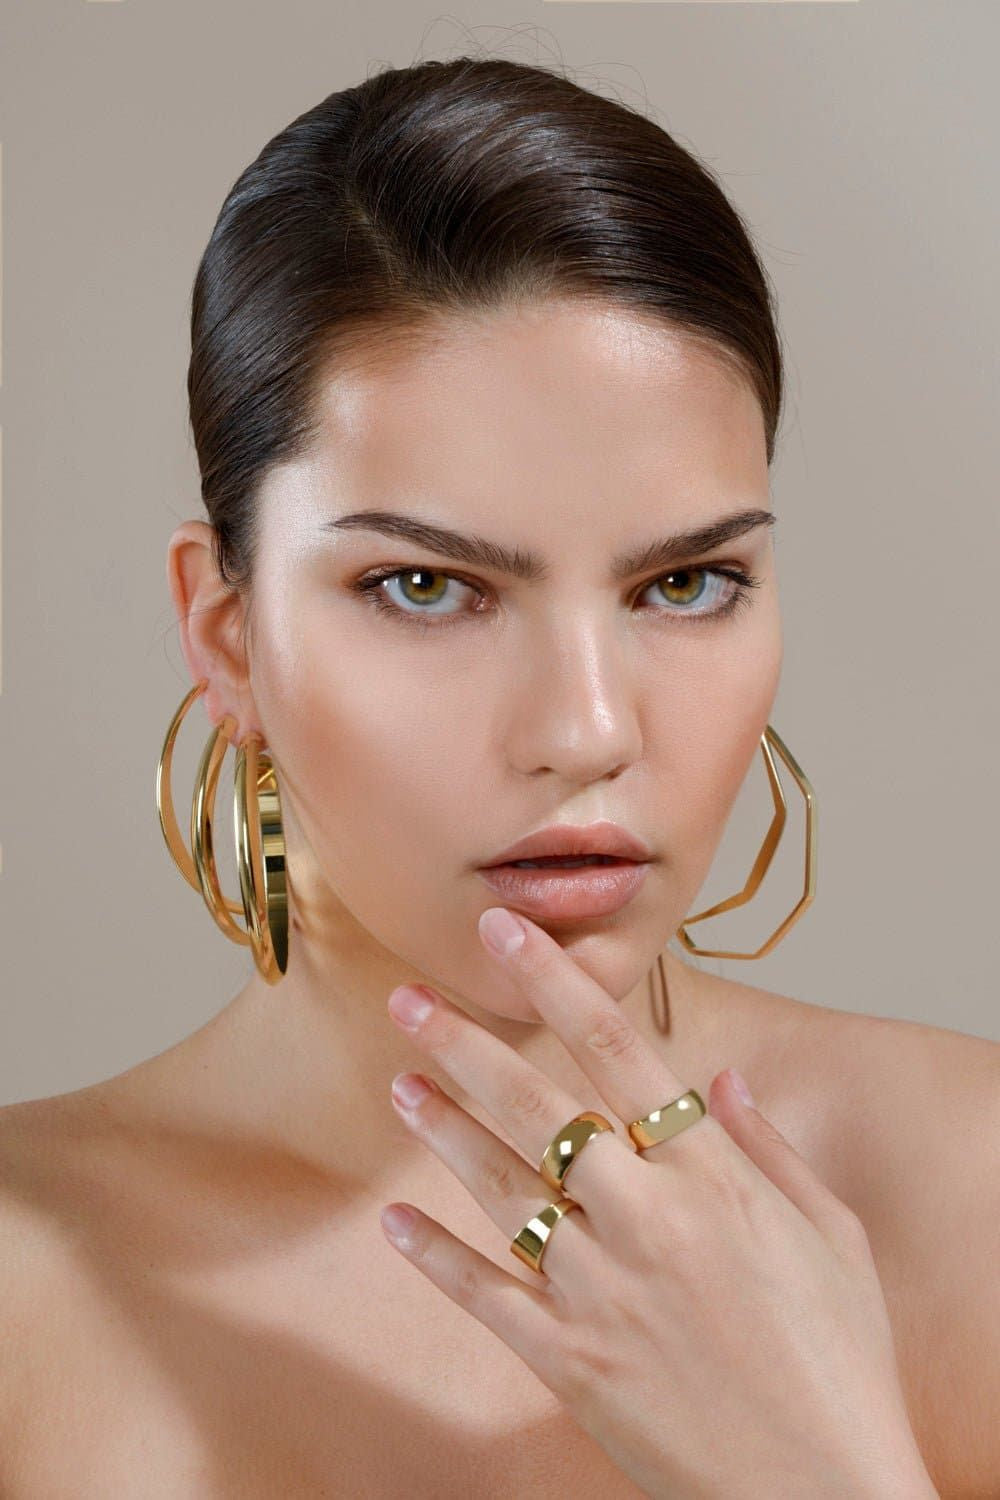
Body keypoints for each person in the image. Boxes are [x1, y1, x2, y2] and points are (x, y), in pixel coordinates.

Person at [1, 55, 996, 1499]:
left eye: (686, 584)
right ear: (227, 637)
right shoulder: (31, 1286)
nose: (587, 727)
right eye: (424, 586)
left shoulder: (966, 1189)